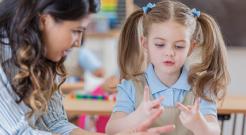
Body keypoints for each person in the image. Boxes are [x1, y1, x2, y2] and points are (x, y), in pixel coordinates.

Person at [0, 0, 175, 134]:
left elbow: (56, 124)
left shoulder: (44, 59)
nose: (78, 43)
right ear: (44, 20)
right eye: (76, 30)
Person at [106, 0, 230, 135]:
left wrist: (200, 125)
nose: (169, 53)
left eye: (179, 46)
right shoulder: (130, 86)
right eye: (160, 44)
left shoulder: (202, 87)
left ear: (190, 48)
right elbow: (111, 130)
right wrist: (138, 116)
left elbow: (214, 131)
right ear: (145, 44)